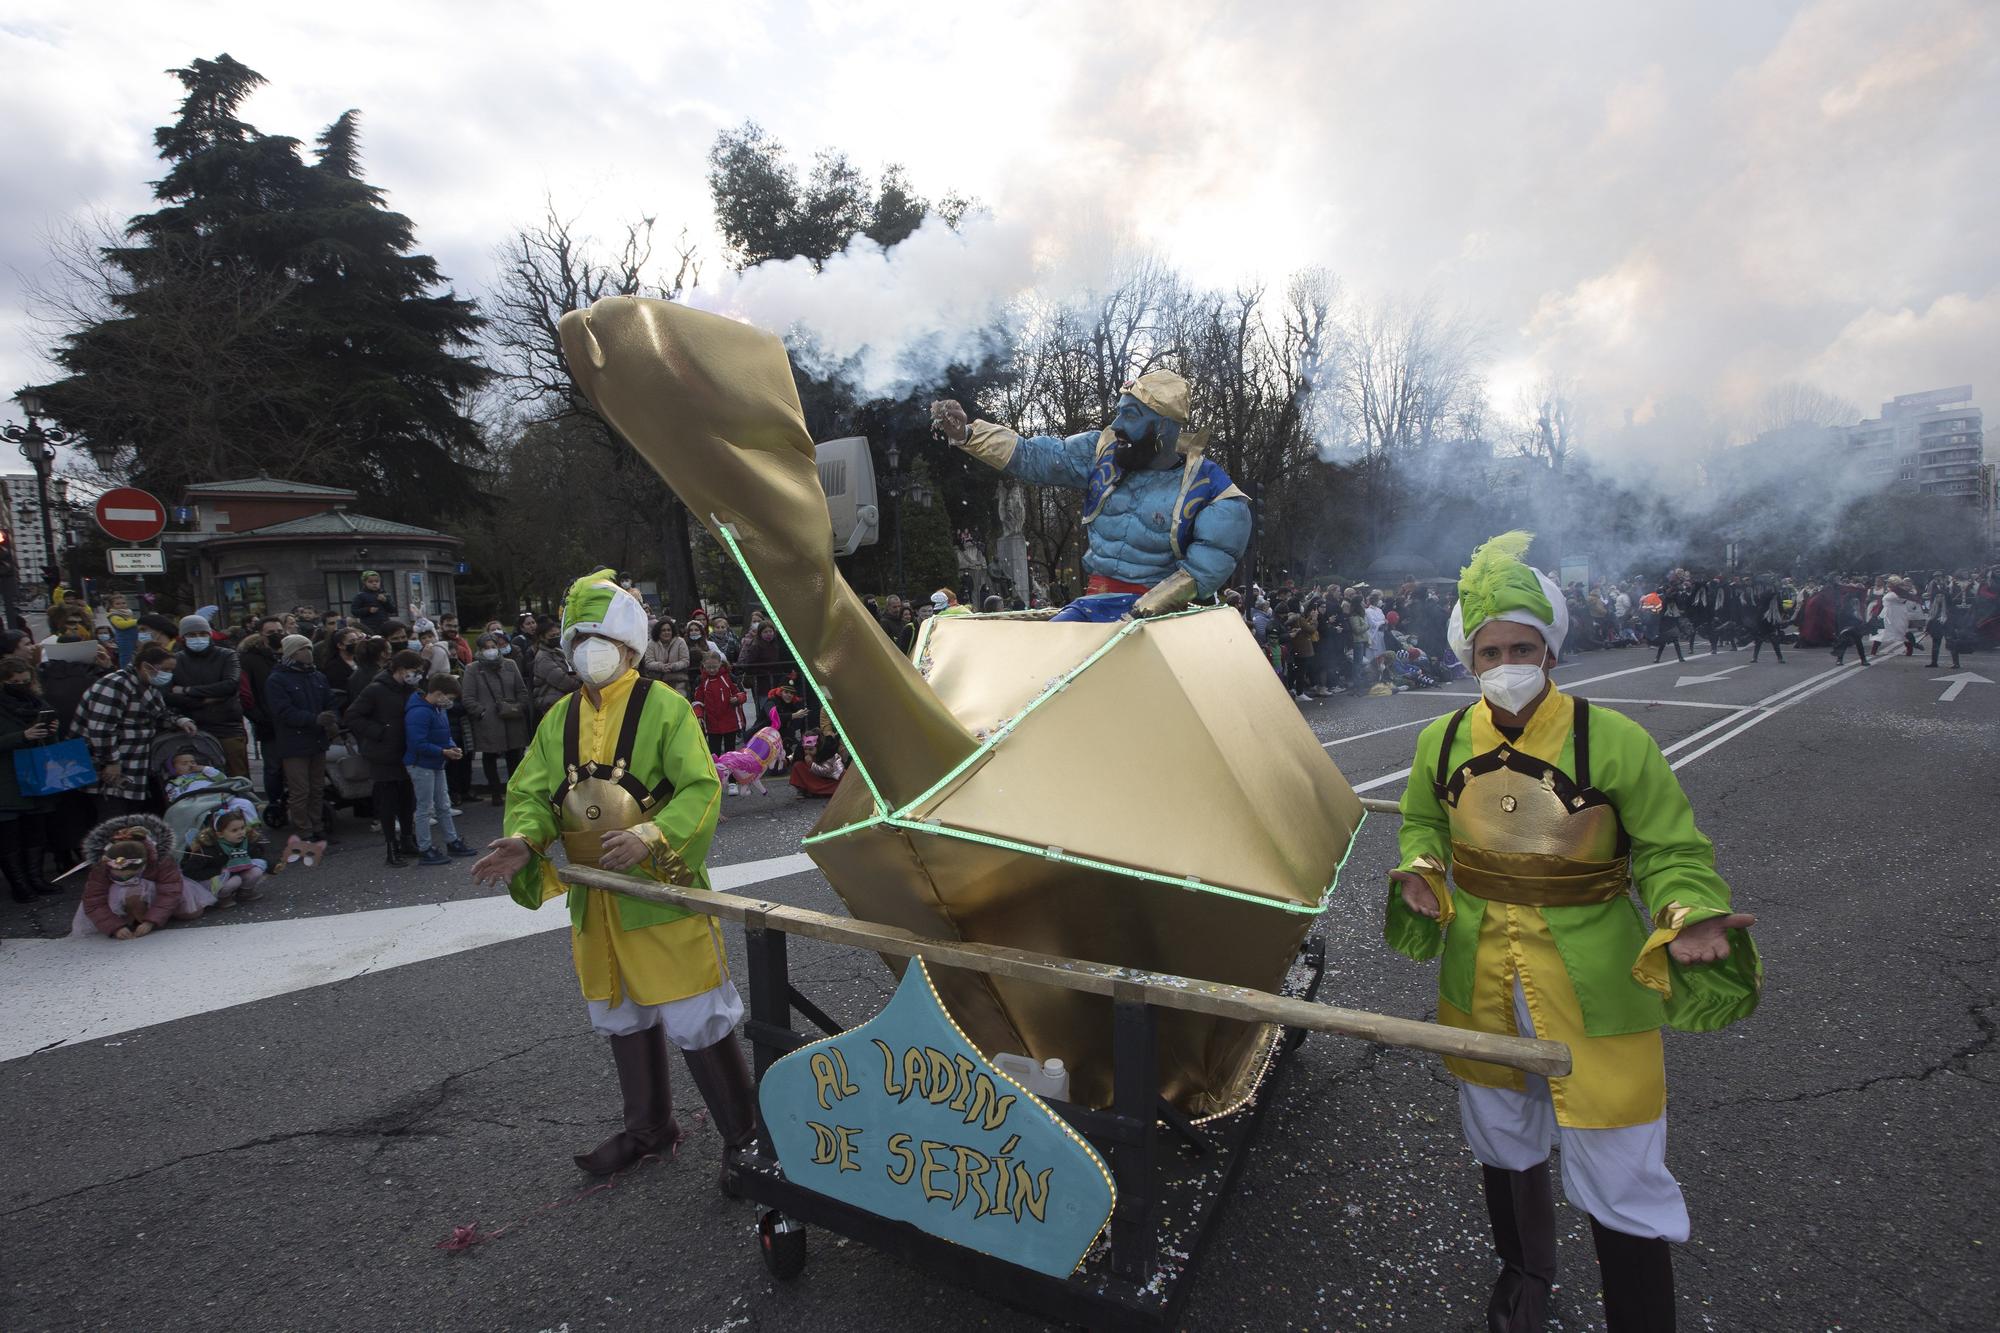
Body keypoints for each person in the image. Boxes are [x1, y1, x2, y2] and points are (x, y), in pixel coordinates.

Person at [1385, 532, 1759, 1333]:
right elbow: (1423, 819)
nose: (1508, 661)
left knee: (1621, 1159)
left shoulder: (1617, 740)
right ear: (1469, 658)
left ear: (1550, 650)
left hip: (1595, 977)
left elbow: (1670, 848)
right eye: (1491, 649)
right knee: (1500, 1135)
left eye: (1523, 645)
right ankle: (1524, 1278)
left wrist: (1689, 911)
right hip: (1477, 972)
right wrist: (1422, 865)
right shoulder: (1440, 741)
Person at [470, 569, 756, 1186]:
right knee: (621, 1010)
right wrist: (525, 839)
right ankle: (650, 1130)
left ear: (630, 646)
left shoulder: (666, 707)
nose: (588, 652)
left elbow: (702, 788)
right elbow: (531, 791)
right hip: (596, 898)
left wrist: (650, 835)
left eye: (601, 638)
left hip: (660, 891)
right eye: (578, 640)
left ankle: (746, 1139)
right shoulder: (559, 719)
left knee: (693, 1011)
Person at [930, 370, 1250, 622]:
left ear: (1165, 428)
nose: (1117, 425)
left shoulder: (1214, 492)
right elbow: (1033, 456)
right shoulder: (1101, 452)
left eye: (1132, 416)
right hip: (1094, 606)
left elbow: (1203, 571)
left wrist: (1146, 611)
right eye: (1119, 413)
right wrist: (967, 434)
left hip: (1166, 622)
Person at [75, 644, 197, 816]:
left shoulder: (148, 685)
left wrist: (179, 720)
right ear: (146, 666)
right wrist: (111, 761)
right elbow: (101, 729)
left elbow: (158, 714)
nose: (168, 675)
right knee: (113, 816)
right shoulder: (115, 685)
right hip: (110, 763)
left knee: (130, 816)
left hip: (134, 761)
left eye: (171, 670)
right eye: (165, 669)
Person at [345, 649, 423, 866]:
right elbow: (352, 715)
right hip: (382, 753)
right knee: (388, 802)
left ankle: (408, 839)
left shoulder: (410, 689)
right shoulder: (376, 690)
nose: (417, 675)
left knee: (408, 799)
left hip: (405, 752)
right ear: (400, 669)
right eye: (414, 671)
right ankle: (391, 846)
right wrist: (379, 731)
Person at [73, 814, 207, 938]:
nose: (125, 878)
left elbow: (170, 891)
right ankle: (131, 917)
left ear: (144, 863)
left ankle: (152, 916)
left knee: (191, 912)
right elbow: (94, 900)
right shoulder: (102, 865)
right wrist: (114, 927)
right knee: (131, 891)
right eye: (118, 875)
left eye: (130, 874)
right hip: (123, 897)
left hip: (156, 889)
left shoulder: (161, 860)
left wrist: (151, 921)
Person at [266, 633, 338, 851]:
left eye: (309, 648)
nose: (308, 653)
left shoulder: (317, 676)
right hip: (294, 742)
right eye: (302, 649)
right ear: (291, 654)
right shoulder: (277, 680)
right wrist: (314, 719)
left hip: (317, 740)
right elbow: (283, 712)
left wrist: (332, 719)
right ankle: (303, 830)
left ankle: (317, 827)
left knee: (317, 788)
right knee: (300, 790)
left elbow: (330, 701)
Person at [0, 655, 60, 901]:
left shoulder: (37, 702)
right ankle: (19, 885)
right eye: (15, 681)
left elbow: (48, 742)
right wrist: (22, 736)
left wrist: (51, 733)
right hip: (6, 780)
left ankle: (36, 879)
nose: (21, 685)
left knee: (36, 831)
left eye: (25, 680)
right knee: (10, 837)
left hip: (36, 776)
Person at [164, 615, 249, 777]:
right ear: (183, 637)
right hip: (192, 728)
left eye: (202, 634)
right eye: (192, 635)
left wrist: (187, 690)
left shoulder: (227, 655)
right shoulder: (175, 660)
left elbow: (230, 685)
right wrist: (205, 700)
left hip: (228, 726)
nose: (198, 638)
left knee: (237, 776)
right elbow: (168, 695)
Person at [404, 673, 475, 866]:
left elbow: (444, 735)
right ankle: (425, 848)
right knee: (425, 808)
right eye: (449, 698)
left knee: (443, 804)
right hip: (421, 764)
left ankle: (451, 841)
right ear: (438, 693)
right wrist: (445, 751)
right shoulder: (420, 712)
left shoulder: (435, 708)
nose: (449, 702)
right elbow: (417, 743)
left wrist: (451, 747)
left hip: (435, 761)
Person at [463, 633, 531, 805]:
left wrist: (520, 706)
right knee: (490, 756)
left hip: (513, 718)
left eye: (493, 646)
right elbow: (468, 697)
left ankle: (515, 791)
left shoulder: (510, 665)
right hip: (489, 722)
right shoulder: (473, 669)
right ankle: (495, 792)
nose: (491, 651)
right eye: (486, 648)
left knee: (514, 756)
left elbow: (522, 690)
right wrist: (482, 712)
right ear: (479, 650)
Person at [179, 807, 273, 906]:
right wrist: (219, 871)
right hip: (212, 879)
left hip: (231, 874)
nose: (241, 832)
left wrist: (272, 866)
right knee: (235, 880)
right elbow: (189, 872)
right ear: (220, 834)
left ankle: (244, 893)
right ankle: (222, 897)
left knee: (256, 870)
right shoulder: (208, 849)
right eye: (234, 830)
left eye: (242, 828)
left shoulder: (244, 842)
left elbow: (256, 856)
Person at [691, 652, 746, 756]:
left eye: (714, 667)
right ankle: (716, 771)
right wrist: (699, 715)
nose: (711, 670)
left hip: (730, 720)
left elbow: (742, 694)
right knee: (714, 753)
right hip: (711, 723)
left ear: (720, 664)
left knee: (730, 752)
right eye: (708, 667)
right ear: (703, 665)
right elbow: (697, 701)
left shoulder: (730, 677)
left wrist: (737, 698)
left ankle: (731, 771)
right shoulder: (701, 680)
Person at [640, 618, 690, 693]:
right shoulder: (651, 643)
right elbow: (648, 662)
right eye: (663, 630)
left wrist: (673, 666)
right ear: (658, 632)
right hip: (658, 681)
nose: (666, 632)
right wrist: (661, 667)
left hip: (678, 680)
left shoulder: (680, 642)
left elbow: (685, 661)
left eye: (668, 630)